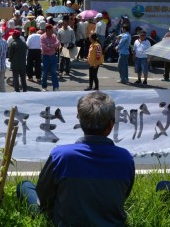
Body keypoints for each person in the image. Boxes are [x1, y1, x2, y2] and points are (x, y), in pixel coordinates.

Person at [17, 92, 135, 226]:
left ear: (80, 120)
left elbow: (44, 197)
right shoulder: (125, 158)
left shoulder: (61, 156)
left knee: (24, 186)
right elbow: (123, 196)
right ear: (111, 125)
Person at [40, 24, 60, 92]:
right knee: (45, 73)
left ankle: (56, 87)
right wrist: (53, 47)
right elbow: (44, 48)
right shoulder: (42, 37)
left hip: (53, 56)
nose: (52, 31)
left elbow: (58, 43)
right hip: (45, 57)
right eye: (51, 30)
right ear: (47, 30)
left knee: (54, 72)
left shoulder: (54, 36)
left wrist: (50, 45)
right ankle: (44, 86)